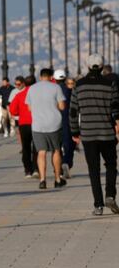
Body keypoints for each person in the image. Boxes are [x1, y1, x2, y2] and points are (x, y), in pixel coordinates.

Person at [70, 54, 119, 215]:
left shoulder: (79, 85)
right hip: (107, 133)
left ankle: (98, 205)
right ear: (102, 65)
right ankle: (110, 195)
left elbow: (72, 111)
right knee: (111, 165)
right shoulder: (110, 84)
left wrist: (75, 132)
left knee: (93, 169)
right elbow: (116, 110)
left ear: (88, 66)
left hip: (88, 134)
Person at [25, 68, 66, 190]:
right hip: (54, 124)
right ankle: (58, 179)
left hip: (38, 125)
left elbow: (29, 108)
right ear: (51, 77)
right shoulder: (56, 88)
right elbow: (62, 106)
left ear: (40, 76)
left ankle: (42, 180)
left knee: (41, 152)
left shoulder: (32, 89)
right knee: (56, 150)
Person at [9, 75, 36, 178]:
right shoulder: (38, 95)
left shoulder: (20, 95)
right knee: (37, 148)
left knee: (26, 147)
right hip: (37, 123)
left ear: (24, 83)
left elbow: (13, 110)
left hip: (24, 124)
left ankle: (28, 170)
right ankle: (36, 169)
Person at [55, 70, 74, 178]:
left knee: (57, 146)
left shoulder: (52, 90)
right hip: (68, 120)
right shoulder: (69, 90)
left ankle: (58, 170)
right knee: (69, 144)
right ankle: (67, 162)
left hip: (55, 120)